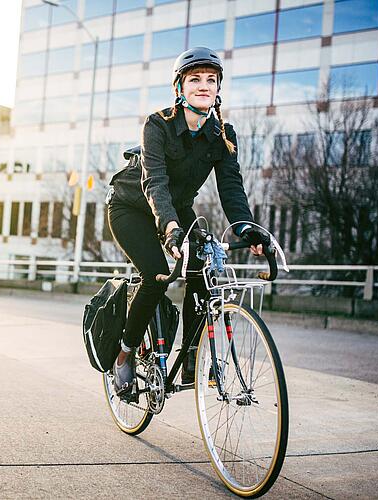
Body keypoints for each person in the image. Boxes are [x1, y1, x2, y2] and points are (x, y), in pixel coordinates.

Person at [106, 46, 270, 392]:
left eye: (211, 79)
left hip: (178, 209)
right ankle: (125, 353)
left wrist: (246, 227)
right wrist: (169, 228)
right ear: (180, 87)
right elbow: (155, 182)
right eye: (195, 79)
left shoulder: (223, 134)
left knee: (203, 263)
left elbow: (231, 186)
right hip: (132, 205)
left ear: (218, 89)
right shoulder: (158, 125)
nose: (204, 85)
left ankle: (193, 358)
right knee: (156, 275)